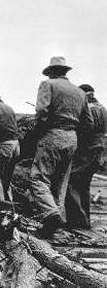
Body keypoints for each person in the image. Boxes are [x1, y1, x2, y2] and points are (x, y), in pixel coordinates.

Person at [29, 56, 94, 237]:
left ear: (51, 72)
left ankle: (51, 215)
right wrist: (73, 134)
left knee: (38, 178)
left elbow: (42, 111)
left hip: (53, 134)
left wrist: (38, 132)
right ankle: (57, 225)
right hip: (71, 138)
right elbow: (88, 123)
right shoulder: (80, 92)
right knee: (60, 183)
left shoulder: (47, 85)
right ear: (65, 72)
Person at [65, 84, 107, 228]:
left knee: (70, 182)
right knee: (84, 186)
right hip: (99, 151)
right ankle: (85, 221)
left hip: (88, 151)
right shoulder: (102, 108)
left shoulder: (90, 109)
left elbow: (86, 130)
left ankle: (78, 220)